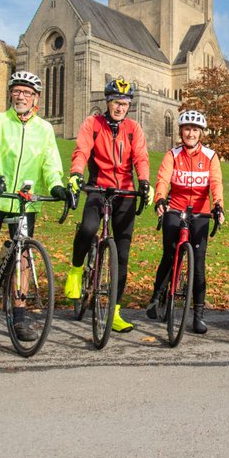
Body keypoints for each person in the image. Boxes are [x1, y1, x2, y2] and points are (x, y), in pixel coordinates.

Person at [0, 71, 69, 344]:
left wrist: (56, 185)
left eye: (27, 92)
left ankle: (20, 315)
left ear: (36, 98)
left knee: (23, 258)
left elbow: (50, 163)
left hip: (25, 203)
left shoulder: (44, 129)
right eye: (17, 91)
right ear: (11, 94)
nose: (21, 96)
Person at [63, 77, 150, 333]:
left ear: (129, 105)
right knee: (89, 229)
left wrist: (143, 181)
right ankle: (77, 270)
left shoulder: (134, 128)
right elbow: (81, 150)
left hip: (124, 192)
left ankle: (115, 312)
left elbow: (141, 157)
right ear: (108, 102)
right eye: (115, 102)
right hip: (98, 188)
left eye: (124, 103)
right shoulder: (93, 123)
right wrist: (76, 173)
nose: (120, 107)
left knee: (122, 254)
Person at [147, 110, 224, 333]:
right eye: (187, 129)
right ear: (181, 131)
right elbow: (162, 179)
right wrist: (160, 198)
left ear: (201, 133)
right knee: (170, 254)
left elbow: (216, 183)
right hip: (176, 208)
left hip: (201, 212)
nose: (191, 133)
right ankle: (156, 296)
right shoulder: (172, 155)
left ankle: (198, 315)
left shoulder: (210, 156)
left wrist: (218, 204)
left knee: (198, 264)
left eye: (195, 130)